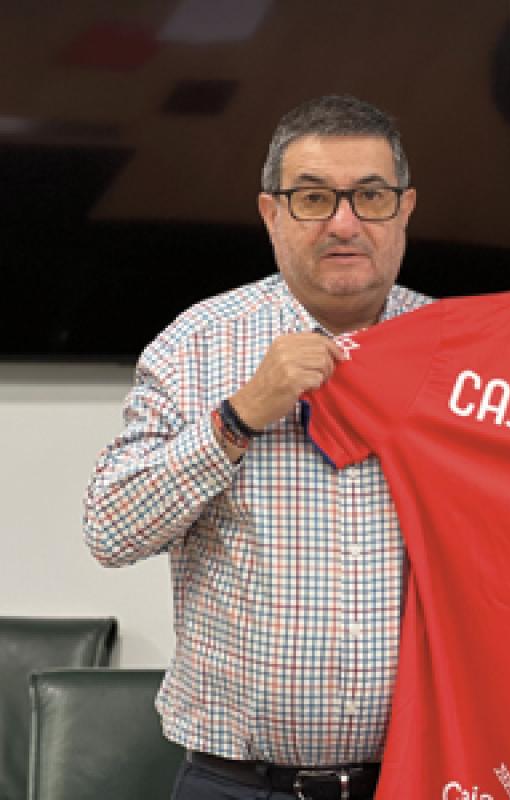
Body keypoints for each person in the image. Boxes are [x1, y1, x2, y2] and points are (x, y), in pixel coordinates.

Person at [84, 94, 429, 800]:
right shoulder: (196, 345)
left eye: (369, 195)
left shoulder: (461, 354)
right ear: (271, 214)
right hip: (239, 785)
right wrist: (239, 417)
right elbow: (109, 530)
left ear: (405, 209)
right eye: (312, 198)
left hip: (420, 777)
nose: (343, 222)